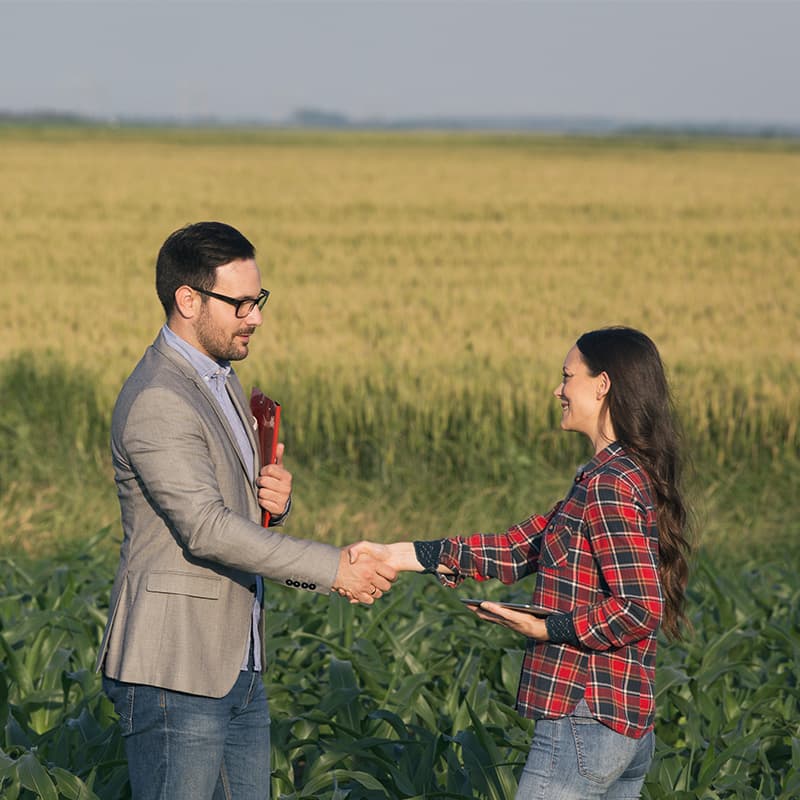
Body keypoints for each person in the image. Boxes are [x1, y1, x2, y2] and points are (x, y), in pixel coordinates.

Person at [96, 221, 396, 800]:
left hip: (238, 660)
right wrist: (333, 568)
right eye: (240, 303)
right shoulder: (160, 397)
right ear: (188, 300)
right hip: (176, 669)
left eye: (258, 300)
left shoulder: (222, 379)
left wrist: (272, 502)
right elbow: (207, 530)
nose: (255, 317)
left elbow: (230, 507)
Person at [348, 326, 692, 799]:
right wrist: (395, 554)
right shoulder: (618, 474)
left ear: (602, 384)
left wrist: (547, 628)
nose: (558, 390)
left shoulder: (609, 484)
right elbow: (516, 548)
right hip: (622, 723)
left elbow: (639, 607)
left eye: (567, 376)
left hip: (584, 714)